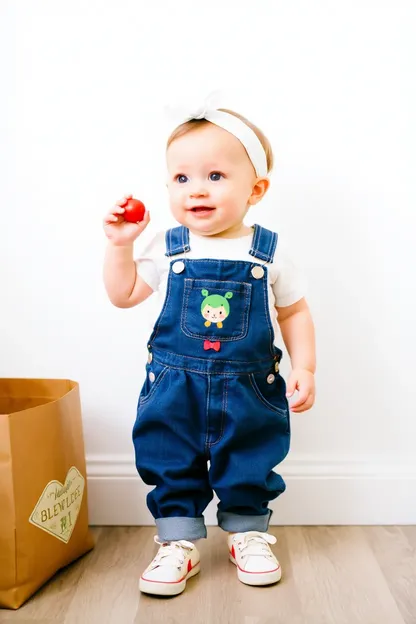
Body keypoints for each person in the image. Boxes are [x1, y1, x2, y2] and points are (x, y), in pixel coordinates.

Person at [103, 100, 316, 597]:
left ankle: (249, 533)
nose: (196, 188)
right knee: (168, 454)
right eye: (181, 178)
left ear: (255, 189)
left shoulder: (268, 250)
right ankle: (177, 541)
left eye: (216, 175)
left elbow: (294, 311)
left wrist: (305, 365)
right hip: (173, 385)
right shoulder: (166, 243)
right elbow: (123, 295)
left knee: (250, 456)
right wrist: (120, 246)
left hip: (250, 387)